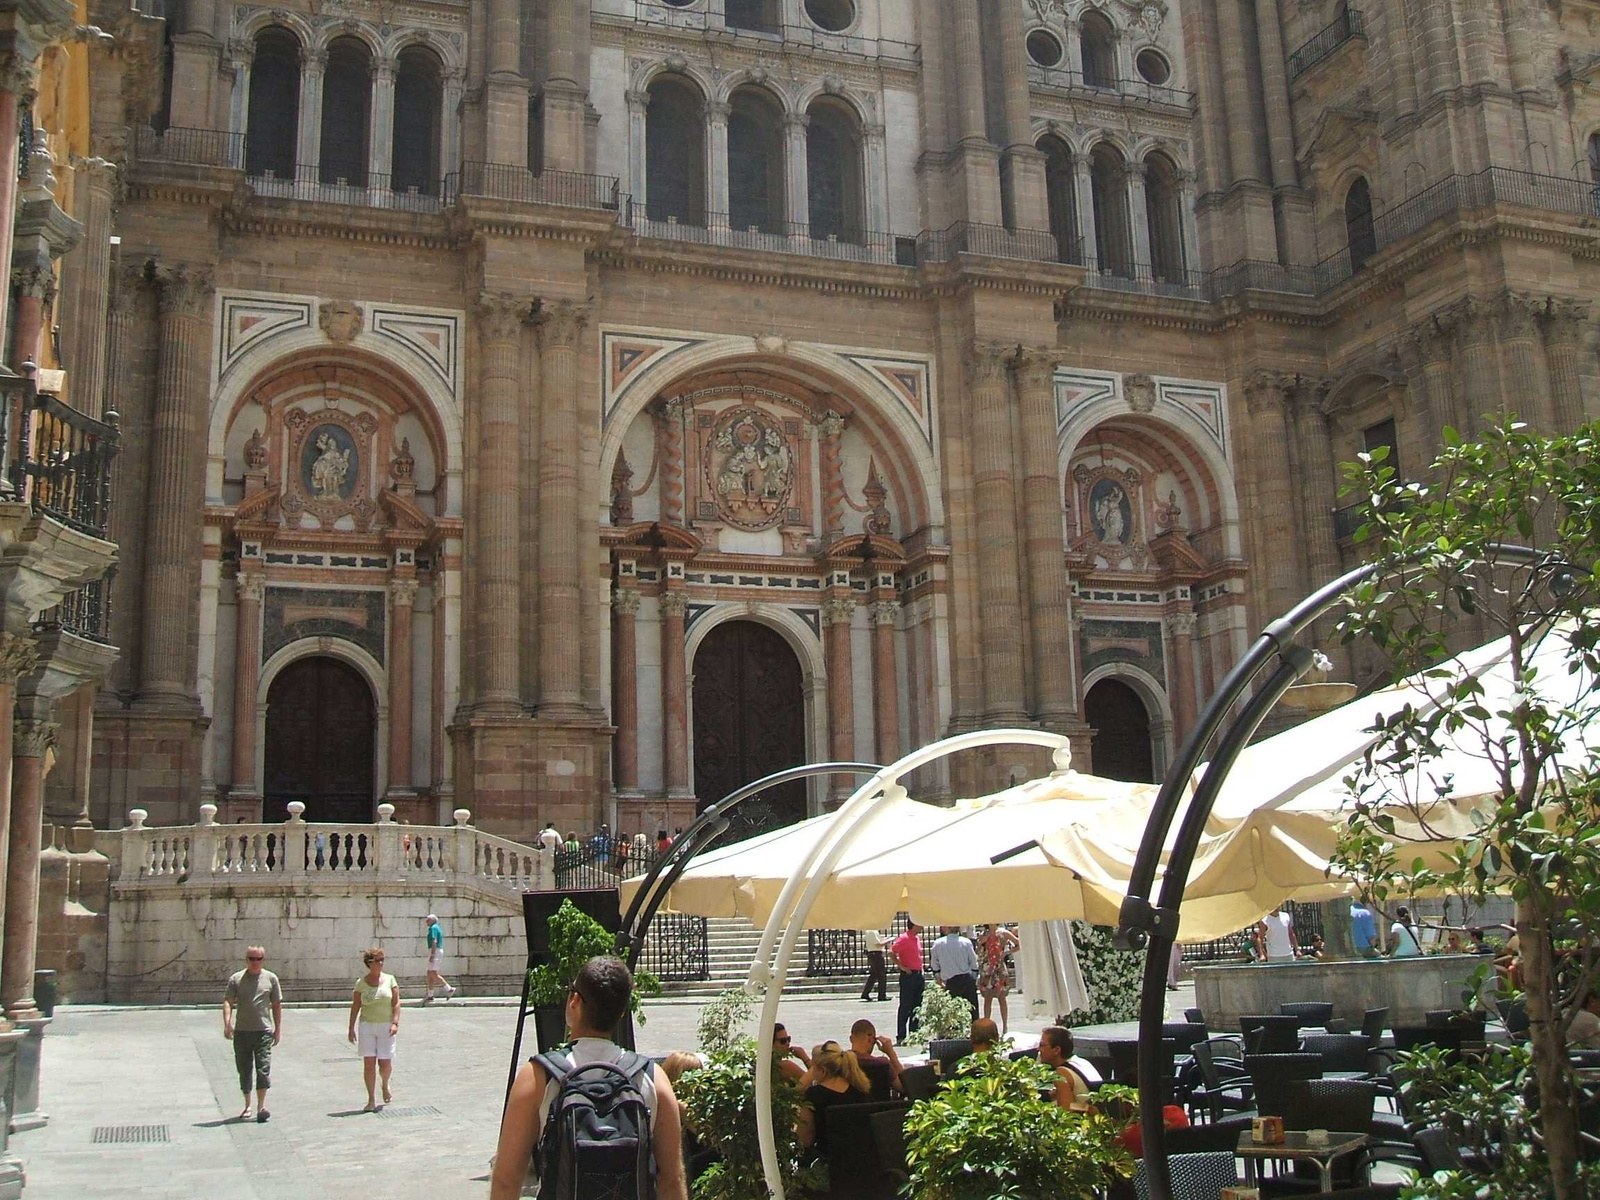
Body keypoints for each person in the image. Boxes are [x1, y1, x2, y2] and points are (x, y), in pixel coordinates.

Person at [493, 957, 686, 1200]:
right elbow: (671, 1179)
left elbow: (506, 1181)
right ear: (621, 1012)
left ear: (575, 1001)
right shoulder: (652, 1078)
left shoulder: (538, 1077)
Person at [222, 945, 283, 1122]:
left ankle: (261, 1106)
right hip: (242, 1031)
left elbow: (277, 1005)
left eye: (258, 959)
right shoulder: (236, 979)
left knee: (263, 1068)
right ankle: (247, 1105)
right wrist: (227, 1023)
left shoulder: (271, 979)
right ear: (246, 959)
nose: (255, 962)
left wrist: (278, 1029)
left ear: (263, 960)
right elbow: (228, 1001)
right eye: (251, 958)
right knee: (244, 1069)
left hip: (263, 1031)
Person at [347, 946, 401, 1111]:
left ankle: (385, 1083)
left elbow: (396, 1002)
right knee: (369, 1063)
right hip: (367, 1025)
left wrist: (395, 1022)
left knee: (385, 1064)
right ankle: (371, 1099)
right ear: (369, 963)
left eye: (382, 960)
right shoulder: (361, 984)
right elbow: (356, 1006)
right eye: (377, 960)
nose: (381, 963)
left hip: (386, 1026)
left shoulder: (390, 979)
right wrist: (351, 1028)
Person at [795, 1042, 871, 1154]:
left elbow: (805, 1140)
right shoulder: (859, 1089)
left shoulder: (813, 1095)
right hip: (860, 1157)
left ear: (823, 1071)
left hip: (827, 1160)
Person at [1037, 1026, 1093, 1111]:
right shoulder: (1083, 1062)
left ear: (1056, 1050)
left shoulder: (1061, 1074)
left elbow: (1065, 1116)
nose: (1038, 1049)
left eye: (1042, 1045)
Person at [977, 923, 1020, 1032]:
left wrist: (1007, 953)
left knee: (1002, 998)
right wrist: (981, 942)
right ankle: (987, 1025)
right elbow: (978, 952)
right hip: (987, 968)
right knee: (987, 998)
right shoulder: (983, 934)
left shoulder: (1003, 933)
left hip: (999, 967)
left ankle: (1005, 1026)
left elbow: (1018, 943)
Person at [931, 925, 980, 1017]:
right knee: (972, 1011)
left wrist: (938, 978)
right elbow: (974, 962)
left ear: (948, 928)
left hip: (950, 982)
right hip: (966, 979)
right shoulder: (966, 942)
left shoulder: (938, 943)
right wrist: (974, 978)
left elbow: (934, 964)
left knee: (952, 1014)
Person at [847, 1018, 902, 1099]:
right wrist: (891, 1054)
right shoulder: (883, 1064)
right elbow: (904, 1086)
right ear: (871, 1039)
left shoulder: (840, 1061)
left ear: (851, 1039)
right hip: (880, 1110)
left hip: (848, 1110)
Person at [891, 922, 925, 1044]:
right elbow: (892, 952)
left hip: (918, 974)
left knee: (917, 1005)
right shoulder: (904, 938)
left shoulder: (916, 938)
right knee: (905, 1005)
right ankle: (901, 1035)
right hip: (908, 975)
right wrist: (902, 966)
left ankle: (914, 1033)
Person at [423, 913, 456, 1003]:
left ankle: (449, 989)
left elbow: (434, 941)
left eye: (428, 920)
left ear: (433, 921)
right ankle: (430, 995)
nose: (426, 921)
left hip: (435, 951)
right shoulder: (436, 927)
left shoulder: (433, 928)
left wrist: (432, 954)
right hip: (436, 950)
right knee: (429, 973)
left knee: (433, 973)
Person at [859, 928, 889, 1002]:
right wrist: (888, 941)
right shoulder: (872, 931)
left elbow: (877, 941)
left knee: (874, 975)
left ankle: (865, 993)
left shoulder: (870, 931)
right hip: (876, 954)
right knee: (881, 975)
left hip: (873, 954)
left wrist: (885, 939)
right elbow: (878, 944)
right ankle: (882, 995)